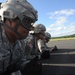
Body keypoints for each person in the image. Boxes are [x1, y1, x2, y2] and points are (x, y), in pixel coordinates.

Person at [0, 0, 42, 75]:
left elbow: (18, 61)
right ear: (10, 18)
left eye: (30, 23)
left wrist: (27, 65)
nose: (29, 28)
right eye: (26, 22)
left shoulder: (18, 41)